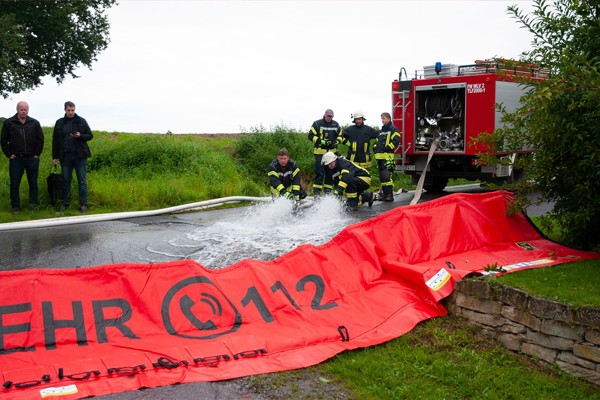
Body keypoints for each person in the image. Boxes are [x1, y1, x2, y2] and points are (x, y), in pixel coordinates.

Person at [1, 101, 45, 213]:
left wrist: (37, 154)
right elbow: (3, 140)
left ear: (28, 110)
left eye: (26, 109)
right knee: (15, 183)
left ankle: (33, 205)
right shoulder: (9, 122)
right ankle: (15, 206)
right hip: (16, 158)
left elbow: (41, 139)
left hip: (32, 158)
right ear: (17, 109)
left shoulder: (34, 123)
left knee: (33, 183)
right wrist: (9, 154)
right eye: (21, 109)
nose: (23, 111)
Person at [52, 101, 93, 213]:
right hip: (65, 157)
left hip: (80, 156)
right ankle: (65, 204)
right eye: (69, 110)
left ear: (75, 110)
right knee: (66, 181)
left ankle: (83, 204)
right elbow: (55, 140)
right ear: (65, 110)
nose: (71, 112)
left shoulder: (81, 121)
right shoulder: (59, 123)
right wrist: (55, 157)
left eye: (72, 110)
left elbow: (90, 135)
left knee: (82, 181)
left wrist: (80, 136)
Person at [308, 109, 341, 197]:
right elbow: (310, 135)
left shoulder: (336, 124)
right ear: (324, 114)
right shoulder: (317, 123)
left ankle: (327, 195)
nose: (329, 118)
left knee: (330, 174)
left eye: (331, 116)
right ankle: (317, 195)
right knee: (320, 173)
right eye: (328, 116)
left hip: (332, 154)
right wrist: (321, 141)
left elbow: (341, 136)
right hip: (320, 153)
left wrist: (337, 142)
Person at [374, 112, 401, 202]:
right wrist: (375, 148)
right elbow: (377, 142)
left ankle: (389, 195)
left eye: (384, 118)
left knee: (386, 177)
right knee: (382, 178)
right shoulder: (381, 131)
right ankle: (385, 195)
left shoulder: (393, 129)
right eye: (381, 118)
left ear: (389, 119)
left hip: (387, 157)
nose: (382, 120)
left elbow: (396, 141)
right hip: (380, 157)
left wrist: (388, 147)